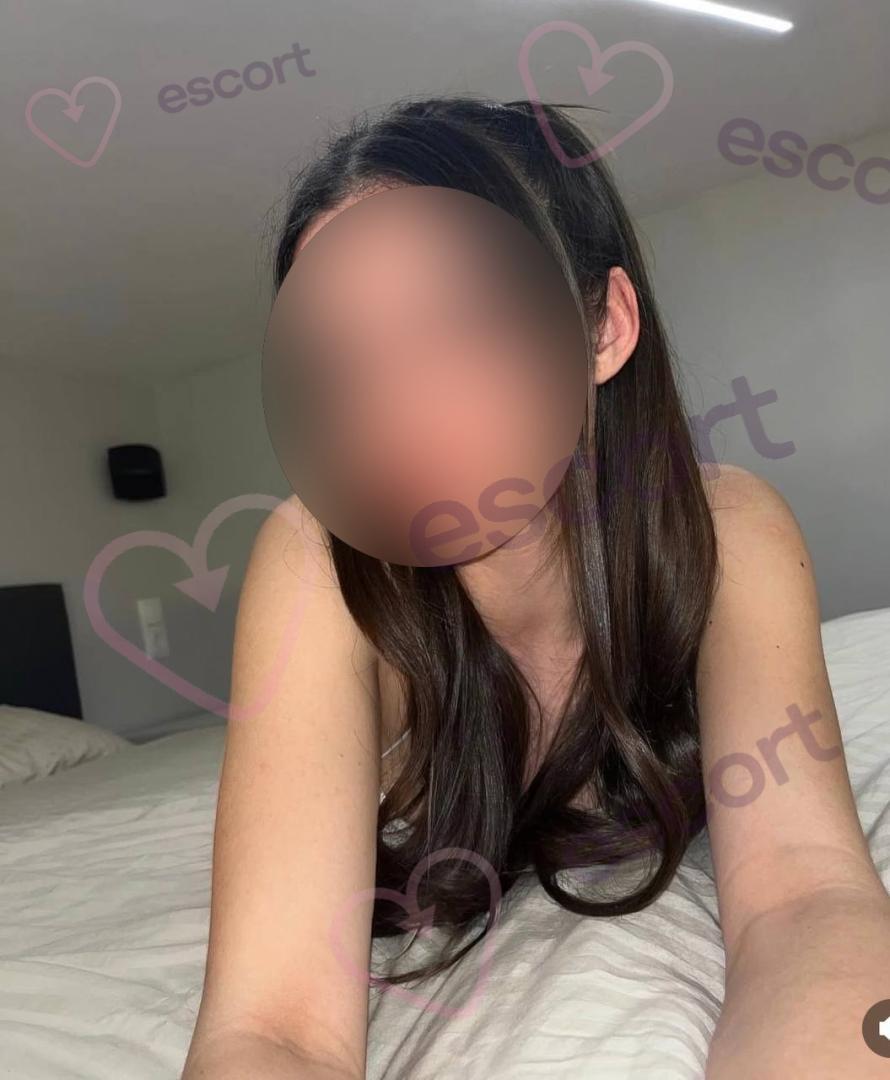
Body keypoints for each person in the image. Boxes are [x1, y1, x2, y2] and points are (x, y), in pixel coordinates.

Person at [181, 96, 890, 1080]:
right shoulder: (317, 558)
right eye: (342, 361)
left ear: (602, 327)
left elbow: (804, 898)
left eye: (457, 321)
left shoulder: (727, 525)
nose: (395, 408)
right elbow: (272, 1026)